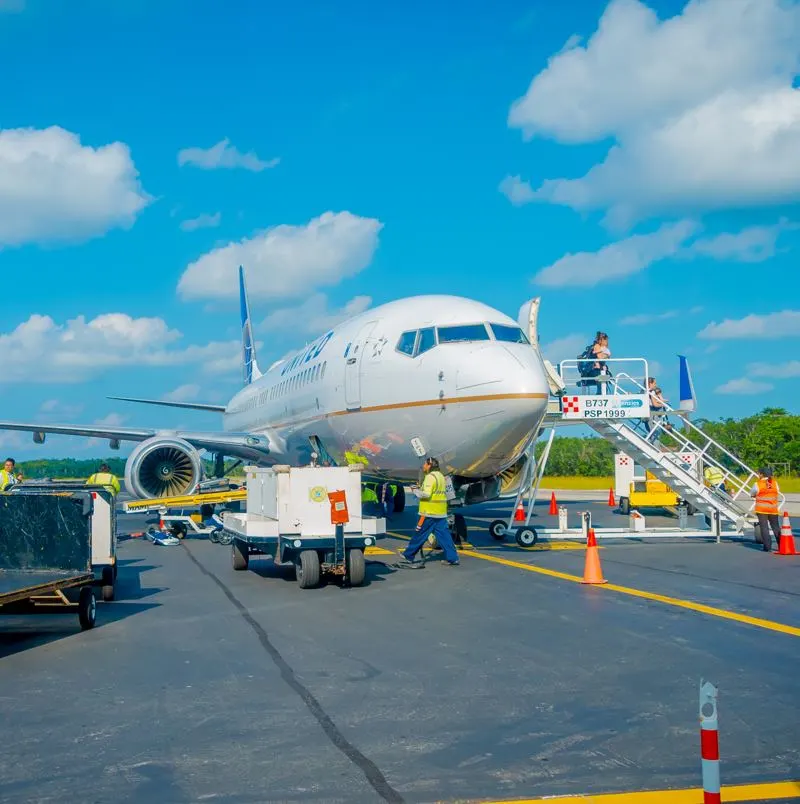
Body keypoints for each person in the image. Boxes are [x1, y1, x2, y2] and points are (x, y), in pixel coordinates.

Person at [396, 457, 459, 568]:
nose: (423, 466)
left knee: (419, 534)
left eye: (425, 464)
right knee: (445, 537)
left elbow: (426, 494)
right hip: (440, 512)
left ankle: (408, 555)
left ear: (430, 465)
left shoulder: (430, 477)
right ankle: (453, 558)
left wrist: (415, 490)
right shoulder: (440, 476)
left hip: (428, 513)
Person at [750, 467, 781, 552]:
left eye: (758, 473)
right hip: (773, 509)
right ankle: (781, 545)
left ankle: (767, 546)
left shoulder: (758, 484)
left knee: (764, 528)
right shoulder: (775, 483)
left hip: (762, 510)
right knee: (776, 527)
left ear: (761, 474)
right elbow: (777, 491)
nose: (758, 475)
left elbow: (752, 493)